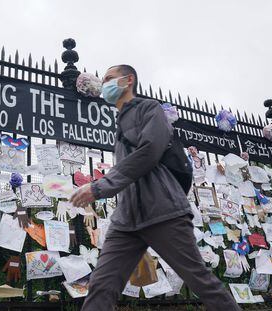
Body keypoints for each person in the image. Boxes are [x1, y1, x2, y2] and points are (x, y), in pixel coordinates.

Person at [69, 64, 241, 311]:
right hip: (126, 221)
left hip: (163, 212)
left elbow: (149, 152)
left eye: (109, 78)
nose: (104, 83)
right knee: (101, 285)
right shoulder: (120, 123)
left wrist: (98, 188)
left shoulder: (149, 109)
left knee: (200, 280)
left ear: (128, 80)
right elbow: (130, 170)